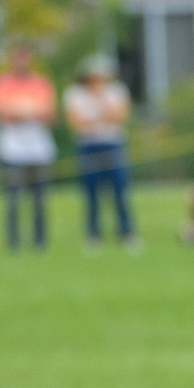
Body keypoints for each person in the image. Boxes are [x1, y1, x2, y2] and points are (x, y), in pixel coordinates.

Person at [64, 55, 137, 252]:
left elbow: (119, 117)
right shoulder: (75, 94)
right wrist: (100, 118)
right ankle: (94, 235)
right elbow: (77, 124)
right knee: (91, 192)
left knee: (120, 190)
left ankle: (127, 234)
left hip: (112, 144)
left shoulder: (116, 91)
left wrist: (99, 103)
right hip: (88, 146)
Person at [0, 44, 57, 251]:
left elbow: (50, 116)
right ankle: (14, 241)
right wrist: (29, 113)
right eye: (18, 58)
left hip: (38, 147)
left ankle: (40, 241)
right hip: (13, 147)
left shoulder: (41, 84)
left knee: (39, 198)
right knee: (13, 197)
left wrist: (22, 113)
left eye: (25, 58)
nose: (22, 62)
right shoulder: (1, 84)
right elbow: (2, 115)